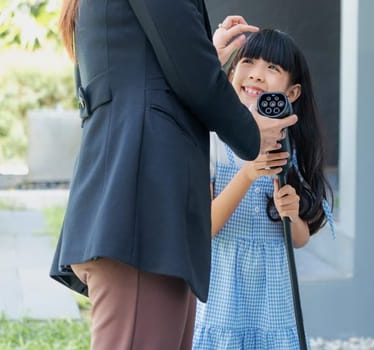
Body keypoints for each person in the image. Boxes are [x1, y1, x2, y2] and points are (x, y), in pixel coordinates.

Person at [49, 0, 296, 348]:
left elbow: (147, 70)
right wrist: (253, 132)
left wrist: (205, 55)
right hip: (145, 211)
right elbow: (189, 77)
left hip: (142, 208)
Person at [192, 29, 335, 349]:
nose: (257, 74)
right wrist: (247, 174)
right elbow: (206, 227)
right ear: (231, 74)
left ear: (293, 92)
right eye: (249, 62)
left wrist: (292, 215)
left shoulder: (289, 148)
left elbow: (299, 238)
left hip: (273, 296)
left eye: (273, 68)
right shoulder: (213, 141)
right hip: (223, 293)